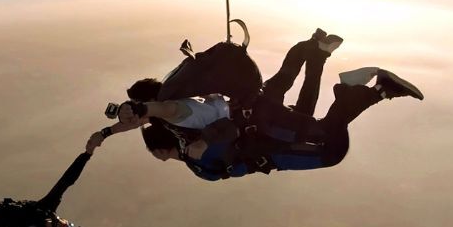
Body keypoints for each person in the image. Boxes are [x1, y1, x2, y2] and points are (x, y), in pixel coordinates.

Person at [85, 28, 345, 156]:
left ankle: (350, 87)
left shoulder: (171, 108)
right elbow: (138, 120)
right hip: (252, 99)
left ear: (148, 101)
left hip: (255, 115)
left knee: (314, 128)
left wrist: (139, 109)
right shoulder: (175, 90)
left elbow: (153, 111)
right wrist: (105, 133)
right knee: (286, 78)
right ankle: (313, 45)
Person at [138, 65, 423, 181]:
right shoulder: (189, 139)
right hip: (266, 140)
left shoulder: (194, 151)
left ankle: (356, 90)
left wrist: (203, 141)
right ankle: (378, 91)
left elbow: (228, 132)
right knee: (326, 132)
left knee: (331, 150)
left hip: (271, 147)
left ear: (160, 151)